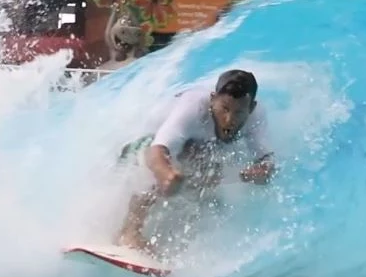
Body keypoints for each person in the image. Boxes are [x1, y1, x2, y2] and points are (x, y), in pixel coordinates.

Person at [115, 69, 276, 253]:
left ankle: (179, 242)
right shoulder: (193, 108)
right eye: (224, 109)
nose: (230, 119)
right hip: (137, 149)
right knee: (172, 165)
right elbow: (157, 151)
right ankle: (128, 233)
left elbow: (267, 160)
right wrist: (166, 175)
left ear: (251, 108)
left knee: (211, 176)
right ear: (213, 99)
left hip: (182, 150)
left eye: (239, 112)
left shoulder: (255, 115)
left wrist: (263, 171)